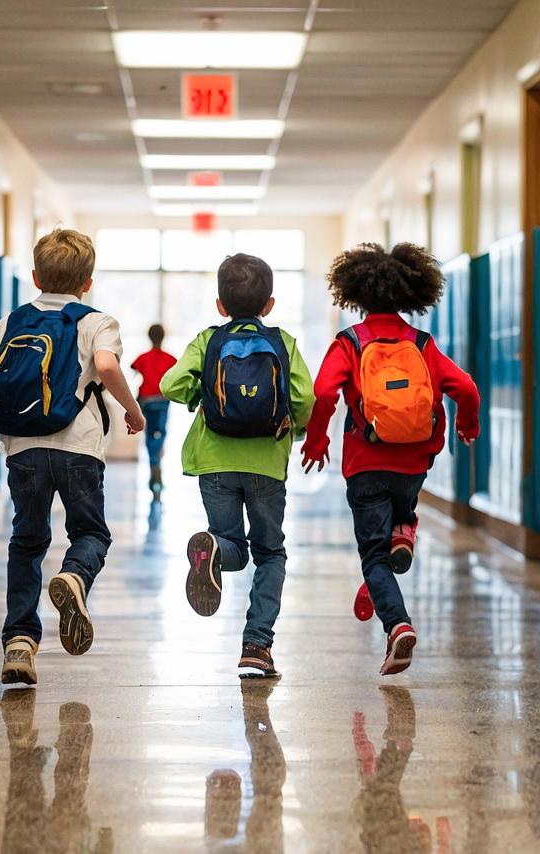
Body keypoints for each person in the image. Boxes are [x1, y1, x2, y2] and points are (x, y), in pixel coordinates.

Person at [0, 228, 145, 685]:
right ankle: (75, 576)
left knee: (27, 541)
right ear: (87, 282)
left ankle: (19, 642)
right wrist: (132, 412)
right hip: (78, 448)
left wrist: (0, 382)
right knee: (91, 533)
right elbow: (108, 366)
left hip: (23, 448)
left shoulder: (15, 319)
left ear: (36, 276)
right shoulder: (97, 321)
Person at [301, 242, 480, 676]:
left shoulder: (350, 343)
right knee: (402, 513)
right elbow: (467, 388)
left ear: (356, 296)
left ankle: (397, 625)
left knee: (374, 556)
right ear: (406, 293)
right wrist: (467, 426)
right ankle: (404, 530)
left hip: (366, 462)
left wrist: (317, 437)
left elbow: (324, 392)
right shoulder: (422, 343)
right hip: (414, 463)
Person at [160, 253, 314, 678]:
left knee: (232, 543)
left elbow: (169, 384)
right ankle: (257, 646)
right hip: (267, 463)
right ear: (269, 305)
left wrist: (201, 397)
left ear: (220, 305)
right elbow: (305, 398)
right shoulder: (283, 342)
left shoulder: (208, 340)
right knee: (270, 554)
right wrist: (292, 429)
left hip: (214, 459)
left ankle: (213, 551)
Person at [131, 324, 177, 494]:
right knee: (161, 433)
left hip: (146, 401)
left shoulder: (143, 358)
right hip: (163, 400)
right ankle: (157, 462)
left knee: (149, 433)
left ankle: (153, 464)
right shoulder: (170, 359)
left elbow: (133, 369)